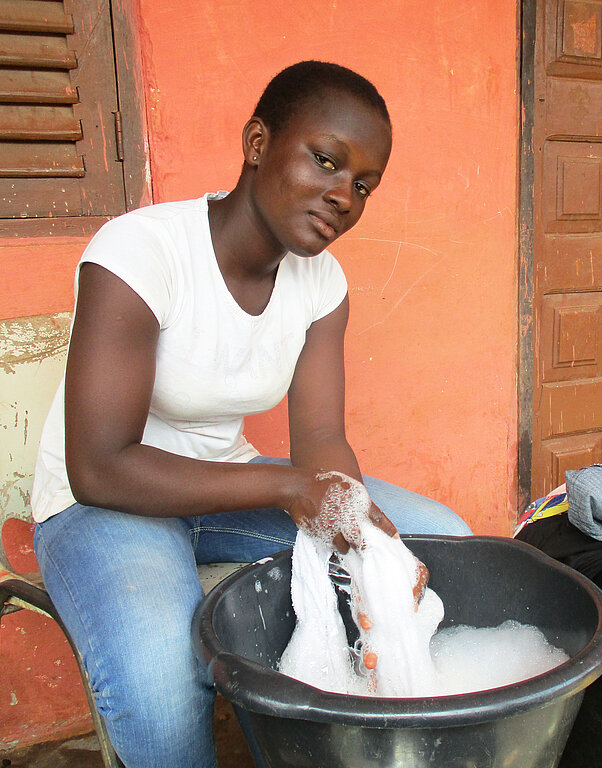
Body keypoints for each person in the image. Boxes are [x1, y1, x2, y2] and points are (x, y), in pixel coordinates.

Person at [30, 60, 471, 768]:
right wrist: (293, 490)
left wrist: (363, 529)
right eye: (325, 161)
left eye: (363, 184)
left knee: (440, 542)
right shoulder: (142, 252)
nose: (343, 197)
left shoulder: (321, 282)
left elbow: (321, 440)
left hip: (223, 488)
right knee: (160, 676)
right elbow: (99, 466)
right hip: (103, 505)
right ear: (258, 142)